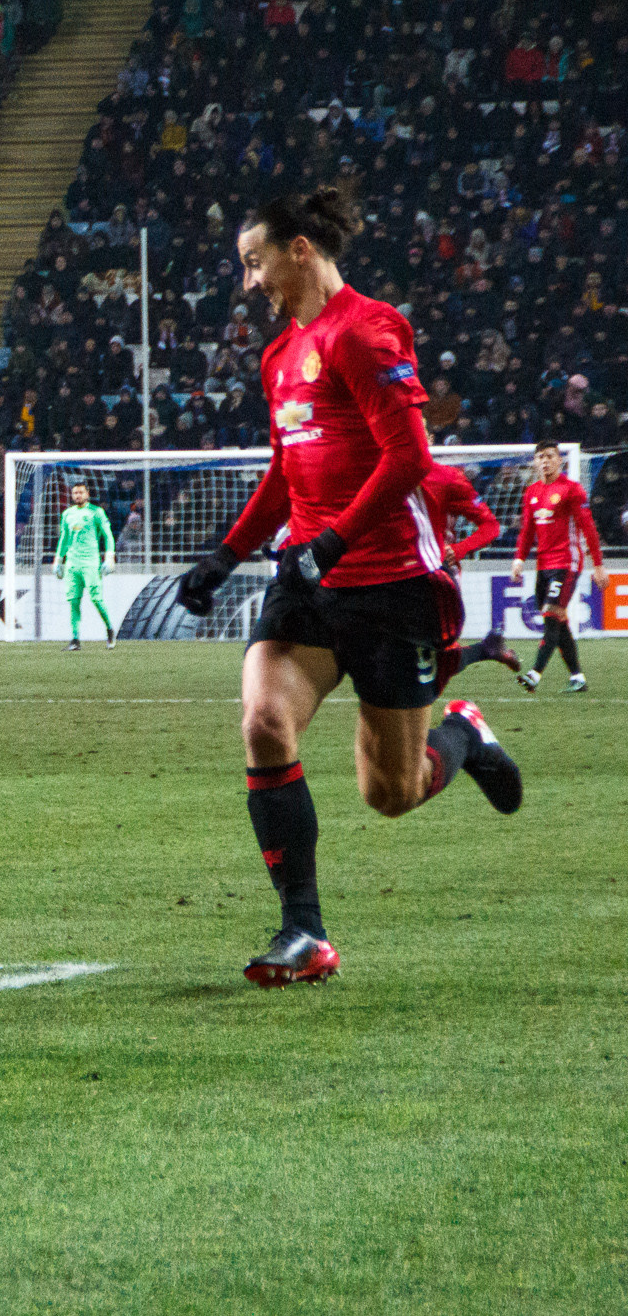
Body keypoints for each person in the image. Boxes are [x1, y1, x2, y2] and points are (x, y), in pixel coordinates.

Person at [174, 187, 521, 990]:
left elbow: (410, 458)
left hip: (392, 584)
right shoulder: (278, 357)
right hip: (307, 581)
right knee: (264, 722)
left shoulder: (365, 330)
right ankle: (304, 930)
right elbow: (285, 472)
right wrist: (226, 555)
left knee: (392, 793)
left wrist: (332, 541)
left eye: (255, 262)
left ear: (300, 249)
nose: (249, 281)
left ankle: (464, 733)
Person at [419, 443, 521, 685]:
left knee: (424, 658)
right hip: (397, 571)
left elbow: (491, 526)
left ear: (429, 437)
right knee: (418, 658)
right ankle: (486, 649)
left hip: (437, 574)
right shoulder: (382, 473)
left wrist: (458, 550)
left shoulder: (447, 478)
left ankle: (486, 649)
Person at [511, 440, 606, 693]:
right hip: (543, 565)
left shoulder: (571, 490)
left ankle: (534, 674)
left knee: (552, 617)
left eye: (550, 456)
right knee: (558, 621)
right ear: (535, 462)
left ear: (559, 460)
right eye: (540, 457)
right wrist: (519, 559)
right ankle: (578, 677)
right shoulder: (531, 492)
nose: (545, 461)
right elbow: (527, 530)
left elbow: (588, 527)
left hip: (566, 562)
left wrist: (598, 565)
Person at [53, 481, 115, 649]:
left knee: (96, 599)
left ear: (87, 494)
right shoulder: (67, 514)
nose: (78, 495)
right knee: (73, 601)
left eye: (81, 492)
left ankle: (109, 628)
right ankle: (75, 639)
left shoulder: (96, 512)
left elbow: (108, 535)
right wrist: (58, 560)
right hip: (72, 563)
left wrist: (109, 556)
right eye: (75, 493)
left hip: (90, 562)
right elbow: (64, 538)